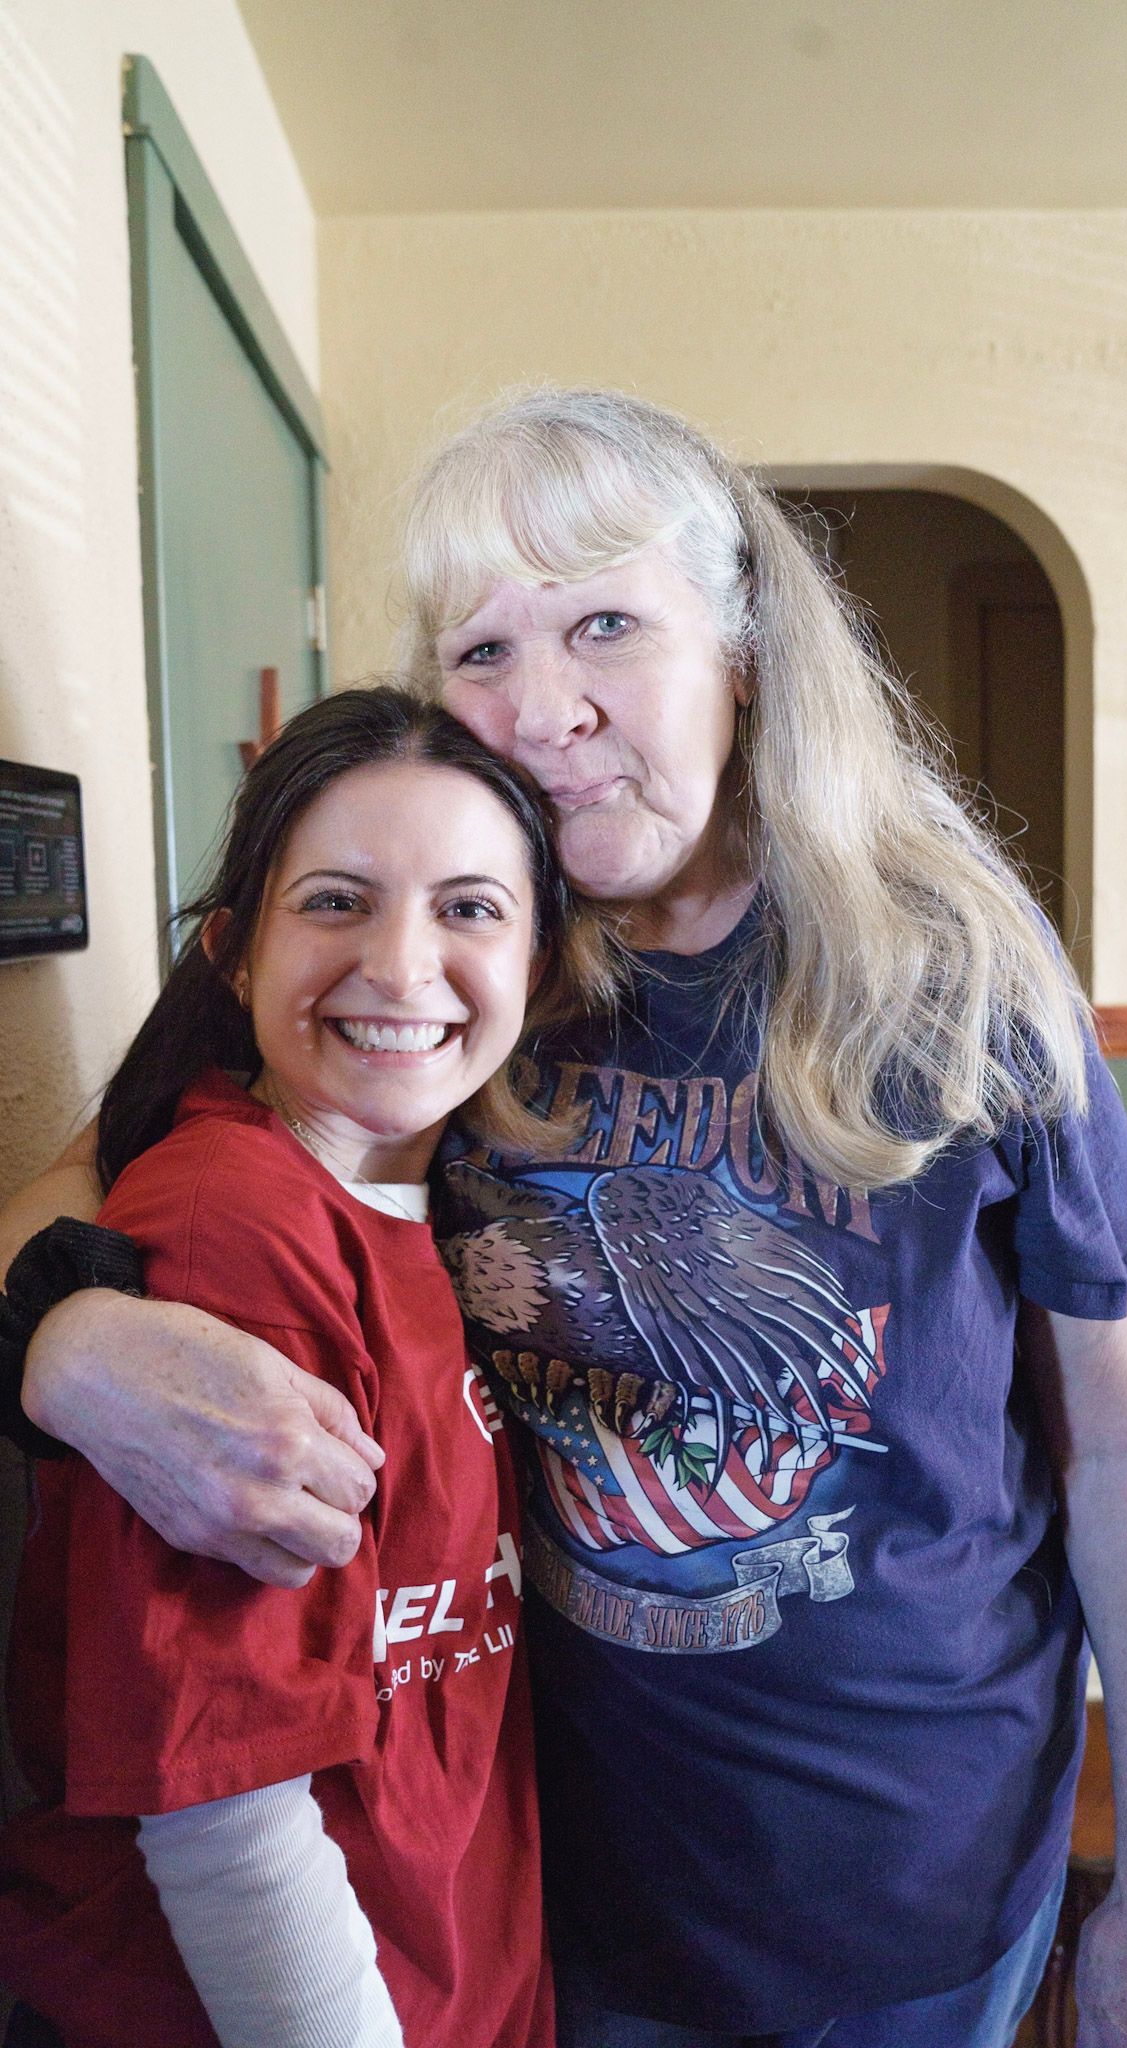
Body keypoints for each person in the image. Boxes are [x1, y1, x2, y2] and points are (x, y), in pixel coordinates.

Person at [5, 389, 1127, 2048]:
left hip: (911, 1886)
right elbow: (74, 1181)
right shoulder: (453, 960)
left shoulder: (954, 973)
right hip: (546, 1883)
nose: (542, 712)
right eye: (482, 650)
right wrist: (68, 1339)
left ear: (743, 652)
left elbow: (1119, 1451)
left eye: (607, 624)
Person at [0, 683, 606, 2048]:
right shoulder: (235, 1224)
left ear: (542, 965)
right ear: (233, 953)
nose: (400, 966)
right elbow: (224, 1812)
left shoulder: (449, 1201)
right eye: (336, 901)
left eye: (469, 907)